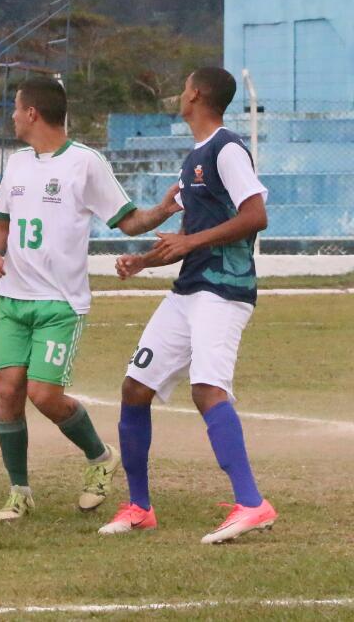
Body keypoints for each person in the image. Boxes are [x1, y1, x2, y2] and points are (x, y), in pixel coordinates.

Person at [0, 78, 181, 522]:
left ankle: (99, 457)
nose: (12, 116)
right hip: (13, 298)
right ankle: (19, 491)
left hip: (59, 303)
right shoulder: (15, 165)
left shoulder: (85, 164)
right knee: (9, 392)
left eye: (15, 108)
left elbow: (127, 222)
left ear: (32, 112)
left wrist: (162, 211)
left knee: (44, 395)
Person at [99, 67, 276, 545]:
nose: (179, 93)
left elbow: (255, 215)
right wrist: (143, 262)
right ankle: (139, 507)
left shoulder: (227, 148)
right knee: (135, 387)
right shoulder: (193, 159)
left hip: (224, 292)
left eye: (183, 87)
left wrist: (190, 241)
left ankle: (252, 504)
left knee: (207, 390)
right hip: (188, 289)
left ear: (196, 94)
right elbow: (188, 242)